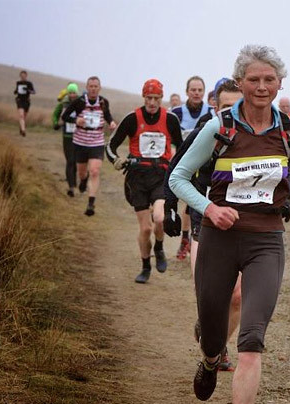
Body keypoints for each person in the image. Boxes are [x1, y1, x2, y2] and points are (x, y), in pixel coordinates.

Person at [170, 44, 290, 404]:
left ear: (280, 83)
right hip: (219, 239)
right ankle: (209, 358)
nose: (261, 86)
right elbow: (179, 177)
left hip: (266, 241)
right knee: (213, 333)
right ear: (239, 82)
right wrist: (209, 209)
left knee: (252, 340)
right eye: (253, 79)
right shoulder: (219, 127)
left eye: (269, 79)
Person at [164, 78, 244, 371]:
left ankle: (219, 346)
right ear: (215, 105)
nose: (231, 112)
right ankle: (209, 322)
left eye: (237, 106)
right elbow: (176, 169)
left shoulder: (253, 135)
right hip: (204, 219)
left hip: (241, 221)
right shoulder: (204, 132)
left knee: (237, 296)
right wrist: (171, 208)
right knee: (207, 293)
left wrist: (285, 199)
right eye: (226, 106)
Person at [106, 79, 183, 283]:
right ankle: (145, 266)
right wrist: (116, 160)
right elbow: (111, 145)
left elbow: (182, 147)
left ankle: (159, 247)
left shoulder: (170, 119)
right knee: (145, 228)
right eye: (149, 98)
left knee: (159, 217)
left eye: (156, 98)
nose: (152, 102)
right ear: (143, 97)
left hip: (160, 176)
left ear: (161, 98)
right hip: (137, 177)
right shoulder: (132, 118)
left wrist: (178, 166)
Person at [171, 76, 216, 260]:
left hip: (204, 164)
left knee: (193, 202)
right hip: (184, 162)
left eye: (200, 90)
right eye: (193, 90)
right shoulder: (176, 113)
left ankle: (191, 238)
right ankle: (186, 238)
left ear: (204, 92)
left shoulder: (211, 112)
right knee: (187, 202)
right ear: (187, 91)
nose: (196, 93)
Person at [61, 76, 117, 216]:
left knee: (95, 171)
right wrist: (76, 120)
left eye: (95, 86)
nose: (93, 89)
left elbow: (107, 115)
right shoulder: (79, 102)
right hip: (80, 142)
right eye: (91, 86)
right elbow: (65, 116)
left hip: (97, 142)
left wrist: (111, 122)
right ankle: (83, 179)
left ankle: (91, 204)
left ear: (99, 88)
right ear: (87, 88)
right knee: (82, 172)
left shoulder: (103, 102)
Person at [52, 82, 80, 197]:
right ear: (68, 93)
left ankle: (74, 182)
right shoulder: (63, 104)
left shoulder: (81, 103)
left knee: (76, 161)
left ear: (77, 93)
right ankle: (71, 187)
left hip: (79, 137)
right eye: (70, 93)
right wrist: (56, 123)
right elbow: (55, 114)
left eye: (74, 92)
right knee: (70, 161)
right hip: (67, 136)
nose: (72, 95)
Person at [14, 70, 35, 136]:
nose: (23, 77)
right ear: (20, 76)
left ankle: (21, 128)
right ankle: (23, 130)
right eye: (21, 76)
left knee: (24, 117)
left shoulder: (29, 83)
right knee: (21, 115)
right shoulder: (18, 83)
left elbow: (33, 92)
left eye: (24, 76)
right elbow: (16, 90)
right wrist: (15, 91)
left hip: (26, 101)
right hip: (20, 100)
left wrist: (28, 90)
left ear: (26, 76)